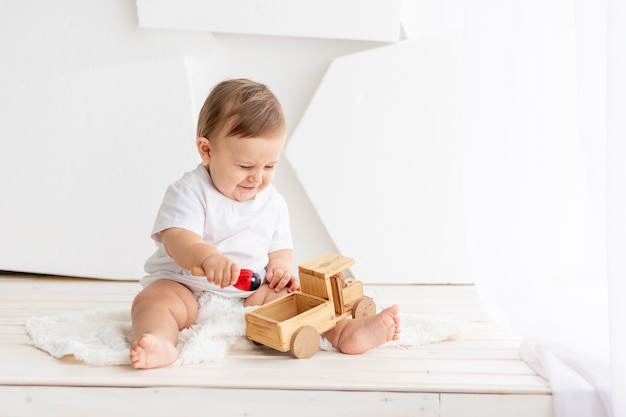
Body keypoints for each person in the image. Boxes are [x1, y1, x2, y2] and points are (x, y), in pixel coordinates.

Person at [130, 78, 401, 369]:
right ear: (207, 151)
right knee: (152, 301)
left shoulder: (272, 202)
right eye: (245, 166)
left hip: (251, 293)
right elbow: (177, 238)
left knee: (298, 300)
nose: (257, 177)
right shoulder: (189, 191)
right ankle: (159, 341)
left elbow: (281, 249)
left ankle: (344, 331)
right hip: (186, 288)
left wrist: (281, 269)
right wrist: (207, 257)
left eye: (269, 166)